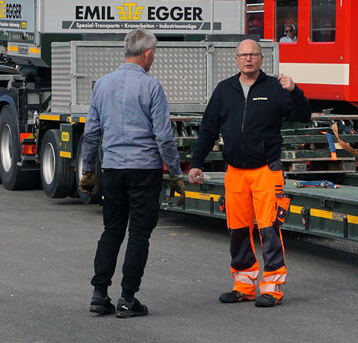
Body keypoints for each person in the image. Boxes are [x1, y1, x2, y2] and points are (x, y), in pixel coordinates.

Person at [187, 38, 311, 307]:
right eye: (243, 55)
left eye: (253, 54)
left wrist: (295, 91)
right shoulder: (224, 90)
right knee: (239, 230)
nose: (248, 59)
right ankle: (244, 284)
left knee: (269, 229)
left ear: (261, 59)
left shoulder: (274, 88)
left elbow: (303, 115)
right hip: (235, 172)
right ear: (236, 59)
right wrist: (196, 162)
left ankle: (272, 287)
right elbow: (208, 129)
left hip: (266, 169)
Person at [79, 29, 185, 319]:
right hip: (144, 170)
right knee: (139, 232)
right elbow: (164, 137)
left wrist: (88, 171)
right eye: (155, 54)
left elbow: (91, 135)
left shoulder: (101, 85)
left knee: (111, 230)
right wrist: (175, 174)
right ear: (148, 53)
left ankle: (99, 294)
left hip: (112, 169)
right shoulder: (151, 87)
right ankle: (127, 298)